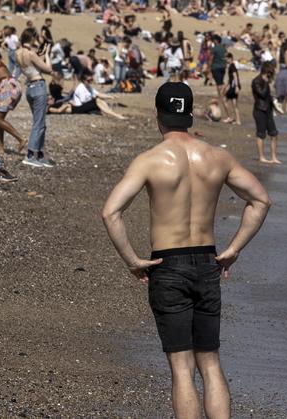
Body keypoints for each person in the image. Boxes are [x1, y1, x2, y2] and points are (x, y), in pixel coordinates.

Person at [101, 82, 271, 419]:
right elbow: (261, 200)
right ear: (190, 115)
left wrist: (132, 259)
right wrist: (234, 248)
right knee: (209, 361)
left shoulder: (150, 160)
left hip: (169, 264)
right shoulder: (217, 157)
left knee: (181, 367)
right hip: (208, 261)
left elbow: (110, 212)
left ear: (157, 117)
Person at [15, 28, 55, 168]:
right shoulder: (31, 53)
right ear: (32, 39)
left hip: (30, 88)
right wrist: (47, 55)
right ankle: (31, 154)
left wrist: (41, 55)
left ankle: (40, 154)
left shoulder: (18, 53)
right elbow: (48, 70)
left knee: (40, 123)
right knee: (39, 123)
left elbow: (32, 68)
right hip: (38, 87)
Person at [51, 71, 126, 119]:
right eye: (89, 80)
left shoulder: (88, 86)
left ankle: (111, 112)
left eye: (91, 80)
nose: (90, 81)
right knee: (98, 100)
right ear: (84, 81)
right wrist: (94, 98)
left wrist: (111, 96)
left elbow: (98, 94)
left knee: (99, 100)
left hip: (83, 106)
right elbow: (84, 101)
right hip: (79, 107)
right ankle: (116, 115)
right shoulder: (81, 88)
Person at [252, 62, 279, 164]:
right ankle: (261, 157)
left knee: (274, 134)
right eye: (270, 73)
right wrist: (266, 82)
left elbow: (267, 96)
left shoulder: (265, 81)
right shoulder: (256, 81)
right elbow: (262, 94)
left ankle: (273, 157)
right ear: (267, 72)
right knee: (261, 134)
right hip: (259, 110)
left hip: (268, 110)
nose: (271, 76)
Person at [223, 52, 241, 125]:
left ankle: (229, 117)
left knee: (225, 100)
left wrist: (236, 86)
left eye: (226, 59)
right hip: (235, 86)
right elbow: (230, 79)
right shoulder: (232, 66)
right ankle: (238, 120)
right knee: (234, 104)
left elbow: (235, 76)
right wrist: (225, 86)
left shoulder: (232, 66)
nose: (225, 60)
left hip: (234, 86)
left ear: (230, 58)